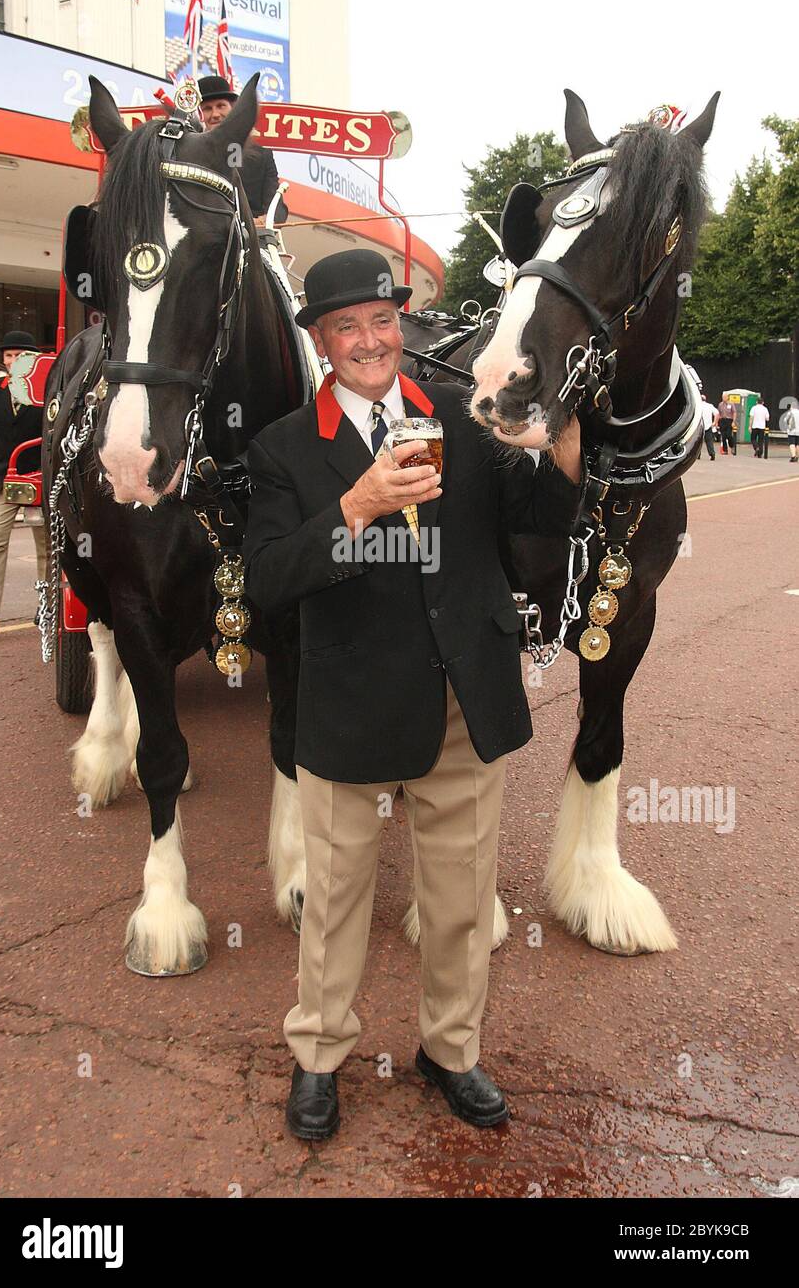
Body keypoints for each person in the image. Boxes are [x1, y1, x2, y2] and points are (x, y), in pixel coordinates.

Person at [243, 249, 583, 1140]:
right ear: (321, 343)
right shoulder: (282, 448)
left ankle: (451, 1051)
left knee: (463, 897)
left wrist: (567, 439)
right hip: (348, 705)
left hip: (463, 701)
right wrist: (352, 507)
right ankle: (319, 1056)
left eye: (381, 320)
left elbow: (539, 517)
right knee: (337, 896)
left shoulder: (465, 424)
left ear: (401, 325)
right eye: (346, 326)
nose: (369, 340)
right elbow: (268, 579)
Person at [0, 332, 47, 638]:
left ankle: (45, 608)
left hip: (36, 478)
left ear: (32, 358)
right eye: (8, 356)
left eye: (19, 355)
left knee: (46, 549)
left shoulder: (45, 387)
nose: (13, 361)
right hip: (3, 477)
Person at [197, 74, 288, 226]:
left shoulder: (262, 156)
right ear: (199, 115)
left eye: (221, 106)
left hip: (251, 240)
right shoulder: (188, 154)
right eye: (207, 108)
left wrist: (258, 223)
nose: (215, 114)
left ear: (233, 109)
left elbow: (276, 209)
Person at [700, 393, 717, 460]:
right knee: (709, 441)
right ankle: (712, 454)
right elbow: (717, 413)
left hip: (700, 426)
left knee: (699, 441)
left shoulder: (698, 405)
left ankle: (698, 454)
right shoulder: (710, 406)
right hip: (708, 426)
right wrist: (715, 422)